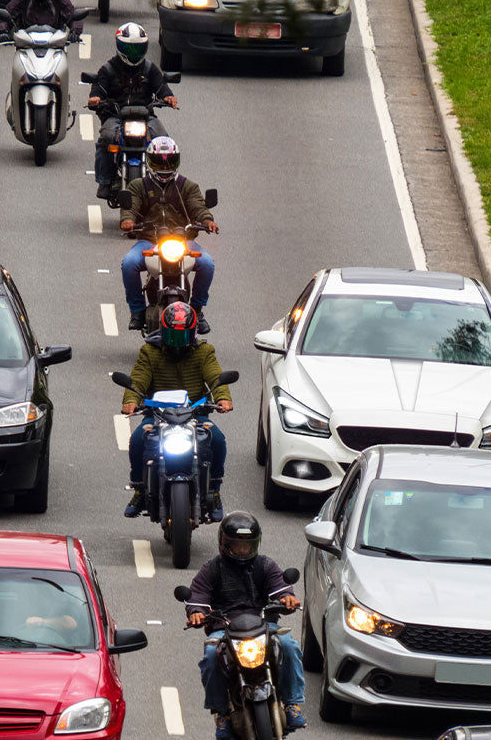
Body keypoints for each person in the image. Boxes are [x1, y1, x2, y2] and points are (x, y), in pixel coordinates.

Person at [185, 512, 307, 739]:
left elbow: (280, 586)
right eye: (237, 545)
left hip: (262, 625)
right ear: (224, 543)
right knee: (211, 655)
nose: (242, 550)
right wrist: (197, 613)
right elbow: (197, 598)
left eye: (247, 545)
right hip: (225, 628)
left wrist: (287, 598)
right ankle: (221, 713)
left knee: (289, 645)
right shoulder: (211, 569)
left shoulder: (265, 565)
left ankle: (292, 704)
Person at [120, 301, 231, 520]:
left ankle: (214, 490)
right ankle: (140, 489)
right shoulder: (150, 352)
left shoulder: (204, 352)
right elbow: (139, 379)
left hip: (195, 415)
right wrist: (131, 400)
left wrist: (223, 398)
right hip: (158, 415)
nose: (177, 343)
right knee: (138, 439)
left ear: (193, 334)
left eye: (183, 337)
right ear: (163, 332)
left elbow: (215, 376)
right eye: (173, 336)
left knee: (216, 438)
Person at [120, 137, 219, 333]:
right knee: (129, 264)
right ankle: (137, 311)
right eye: (159, 161)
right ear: (149, 162)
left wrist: (207, 220)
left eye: (170, 161)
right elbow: (130, 208)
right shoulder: (139, 186)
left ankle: (197, 310)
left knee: (207, 263)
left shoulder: (187, 186)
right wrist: (128, 220)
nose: (165, 166)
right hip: (150, 241)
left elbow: (198, 207)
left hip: (183, 241)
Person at [87, 22, 178, 200]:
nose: (133, 53)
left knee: (163, 139)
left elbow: (161, 86)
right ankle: (105, 180)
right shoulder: (108, 69)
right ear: (119, 46)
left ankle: (164, 180)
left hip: (145, 116)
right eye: (129, 48)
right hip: (116, 117)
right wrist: (95, 99)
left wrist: (168, 97)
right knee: (106, 139)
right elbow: (98, 88)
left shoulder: (150, 69)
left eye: (137, 48)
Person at [0, 0, 81, 40]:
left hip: (55, 46)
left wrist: (74, 32)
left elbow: (73, 16)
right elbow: (7, 15)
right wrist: (3, 31)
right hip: (26, 47)